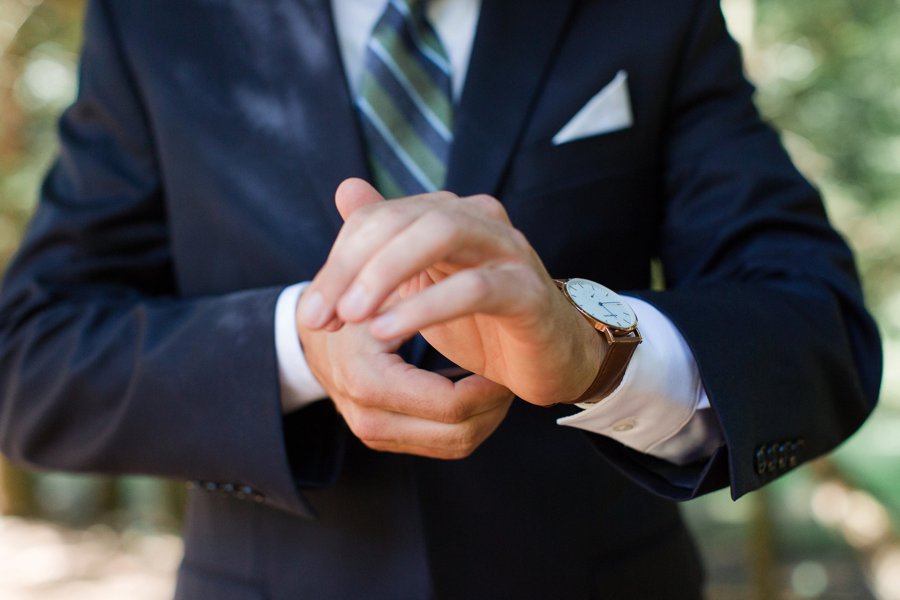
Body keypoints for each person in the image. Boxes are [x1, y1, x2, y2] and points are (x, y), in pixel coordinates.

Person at [0, 0, 882, 598]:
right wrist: (299, 348)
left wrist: (593, 349)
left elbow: (816, 323)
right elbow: (30, 356)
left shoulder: (647, 12)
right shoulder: (158, 22)